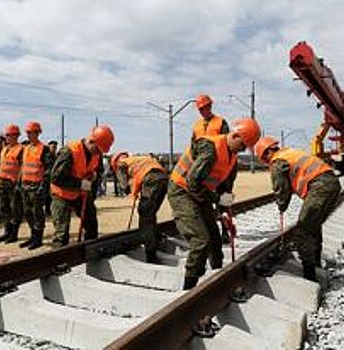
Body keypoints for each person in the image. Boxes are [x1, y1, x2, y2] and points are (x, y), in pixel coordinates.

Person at [168, 118, 261, 289]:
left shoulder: (232, 158)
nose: (241, 150)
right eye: (242, 145)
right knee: (201, 240)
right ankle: (189, 287)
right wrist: (217, 199)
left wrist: (225, 213)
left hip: (200, 193)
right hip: (182, 190)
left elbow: (224, 189)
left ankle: (217, 277)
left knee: (215, 239)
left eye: (245, 148)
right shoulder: (210, 148)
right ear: (235, 135)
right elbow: (192, 183)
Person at [254, 136, 341, 281]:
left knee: (303, 232)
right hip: (332, 183)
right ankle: (316, 263)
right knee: (313, 226)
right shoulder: (289, 152)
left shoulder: (278, 160)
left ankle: (310, 276)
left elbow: (281, 188)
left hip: (320, 187)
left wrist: (282, 205)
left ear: (268, 152)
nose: (266, 162)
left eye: (264, 158)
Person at [50, 125, 114, 247]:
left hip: (81, 194)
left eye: (101, 151)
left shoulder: (97, 153)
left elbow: (99, 171)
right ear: (91, 141)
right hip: (61, 194)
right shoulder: (69, 151)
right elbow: (56, 178)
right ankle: (58, 262)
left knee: (91, 226)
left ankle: (89, 254)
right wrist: (80, 184)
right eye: (98, 149)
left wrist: (94, 175)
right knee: (61, 235)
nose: (99, 153)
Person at [110, 152, 168, 263]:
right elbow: (140, 176)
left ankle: (151, 254)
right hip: (163, 178)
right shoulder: (138, 159)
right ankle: (156, 241)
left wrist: (128, 188)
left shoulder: (121, 164)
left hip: (151, 179)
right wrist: (136, 191)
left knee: (145, 216)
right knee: (151, 214)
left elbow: (124, 186)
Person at [192, 94, 232, 243]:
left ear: (210, 106)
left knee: (224, 200)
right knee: (204, 198)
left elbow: (229, 145)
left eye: (205, 107)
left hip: (221, 169)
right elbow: (193, 147)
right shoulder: (196, 126)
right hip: (203, 170)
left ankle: (225, 232)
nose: (203, 110)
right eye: (200, 109)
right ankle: (209, 232)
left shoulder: (221, 123)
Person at [19, 122, 52, 250]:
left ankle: (38, 238)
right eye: (27, 133)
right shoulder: (26, 148)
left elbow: (49, 169)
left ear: (37, 133)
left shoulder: (44, 149)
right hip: (25, 185)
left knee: (37, 212)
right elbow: (23, 166)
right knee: (27, 212)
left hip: (36, 186)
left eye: (30, 133)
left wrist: (43, 186)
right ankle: (32, 236)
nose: (28, 135)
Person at [0, 125, 24, 244]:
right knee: (4, 208)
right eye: (6, 135)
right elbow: (2, 165)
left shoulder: (20, 149)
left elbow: (22, 167)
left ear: (15, 136)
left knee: (15, 209)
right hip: (3, 182)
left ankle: (14, 234)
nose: (7, 137)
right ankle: (7, 231)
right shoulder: (5, 149)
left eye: (9, 135)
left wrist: (18, 183)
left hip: (13, 183)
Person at [44, 140, 58, 216]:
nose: (54, 148)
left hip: (53, 179)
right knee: (47, 195)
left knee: (51, 195)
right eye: (53, 147)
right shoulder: (47, 156)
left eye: (55, 147)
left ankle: (49, 210)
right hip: (46, 178)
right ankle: (47, 210)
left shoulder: (56, 156)